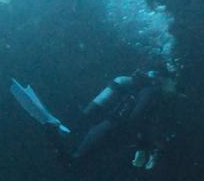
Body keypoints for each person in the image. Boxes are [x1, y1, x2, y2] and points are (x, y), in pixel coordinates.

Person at [13, 70, 176, 169]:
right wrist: (143, 144)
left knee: (79, 161)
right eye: (175, 84)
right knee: (76, 164)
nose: (175, 90)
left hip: (106, 125)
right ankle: (51, 128)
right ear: (166, 79)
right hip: (111, 129)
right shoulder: (153, 92)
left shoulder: (143, 89)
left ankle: (53, 127)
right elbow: (137, 118)